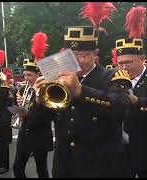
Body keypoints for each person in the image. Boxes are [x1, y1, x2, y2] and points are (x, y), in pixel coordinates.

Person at [34, 26, 132, 177]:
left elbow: (121, 108)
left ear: (95, 54)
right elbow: (41, 123)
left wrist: (80, 90)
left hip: (101, 166)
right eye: (70, 56)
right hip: (65, 166)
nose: (75, 61)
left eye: (82, 55)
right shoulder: (56, 80)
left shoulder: (113, 75)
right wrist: (39, 100)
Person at [12, 58, 55, 178]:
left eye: (29, 75)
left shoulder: (47, 89)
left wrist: (28, 114)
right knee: (17, 167)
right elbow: (23, 108)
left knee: (41, 169)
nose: (26, 78)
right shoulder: (22, 88)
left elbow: (48, 116)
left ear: (38, 74)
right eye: (24, 75)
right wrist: (19, 105)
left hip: (40, 134)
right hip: (24, 133)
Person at [115, 37, 147, 177]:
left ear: (142, 58)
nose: (124, 67)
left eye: (129, 62)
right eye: (120, 63)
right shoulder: (114, 78)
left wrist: (138, 102)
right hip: (120, 151)